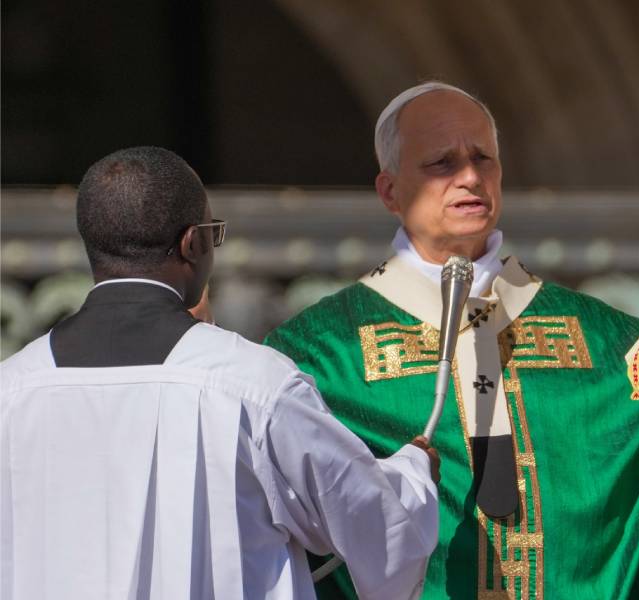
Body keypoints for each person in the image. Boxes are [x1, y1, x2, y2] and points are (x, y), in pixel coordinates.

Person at [265, 81, 639, 599]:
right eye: (442, 163)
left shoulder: (605, 341)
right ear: (390, 191)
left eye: (483, 158)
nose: (470, 176)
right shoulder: (321, 355)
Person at [0, 147, 440, 600]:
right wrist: (414, 470)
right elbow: (379, 530)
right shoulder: (252, 386)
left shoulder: (10, 390)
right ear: (194, 243)